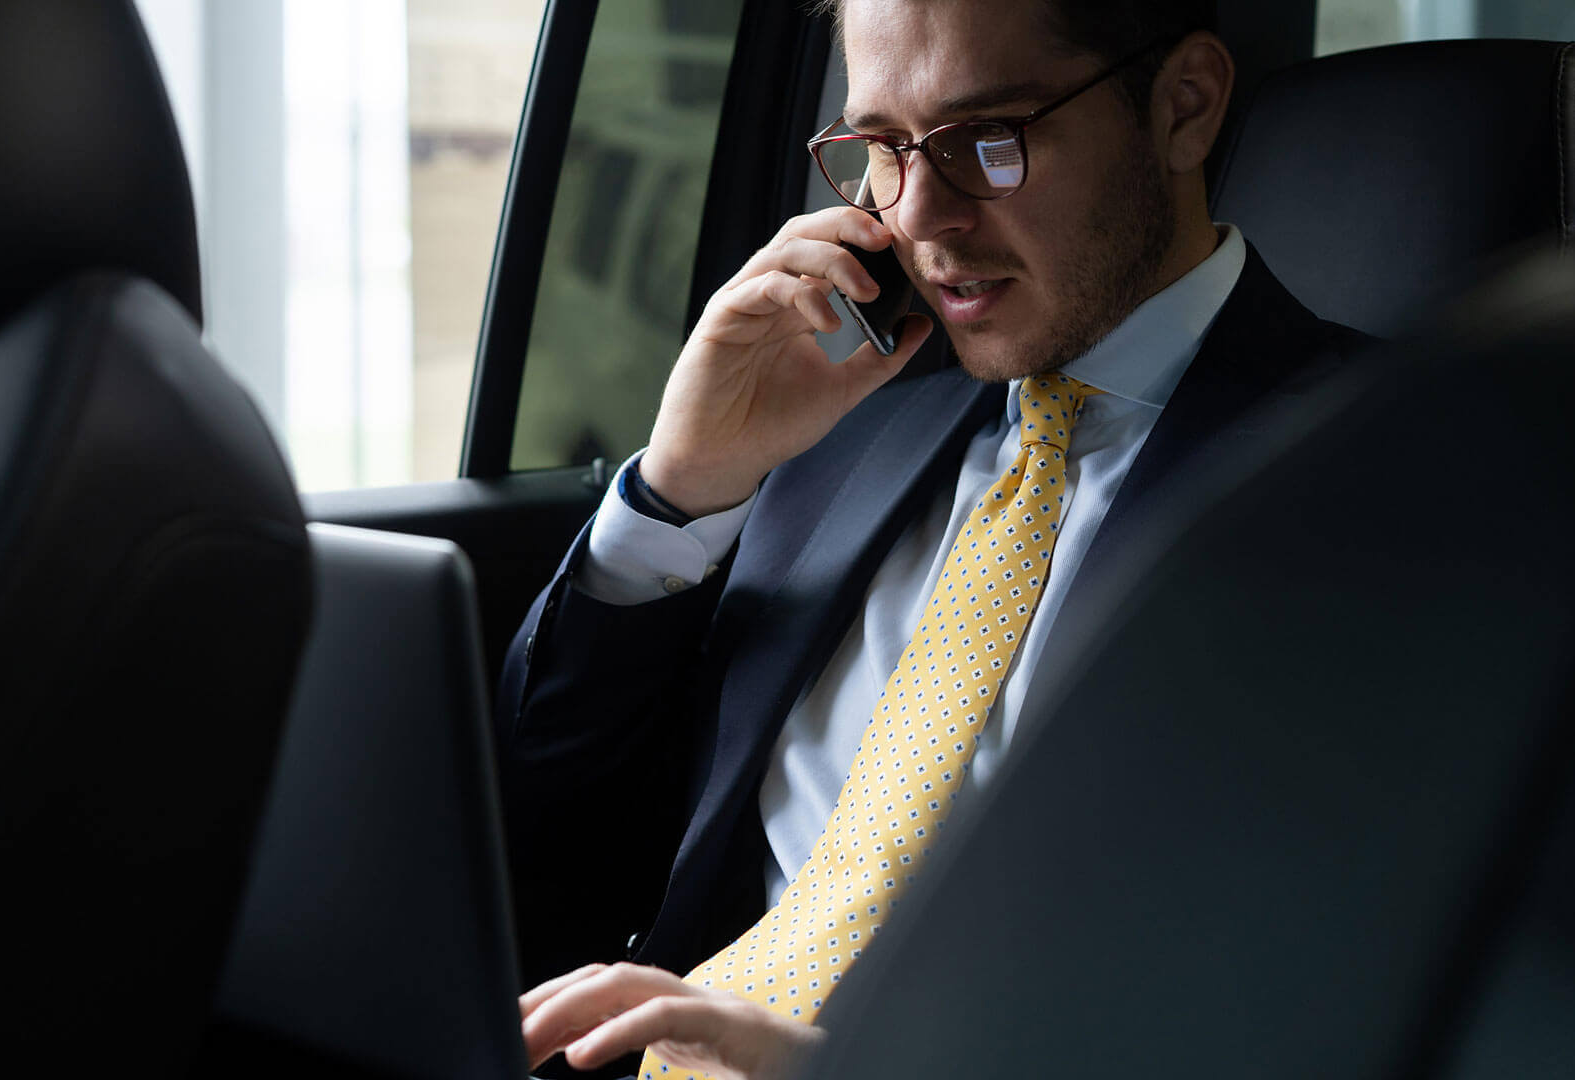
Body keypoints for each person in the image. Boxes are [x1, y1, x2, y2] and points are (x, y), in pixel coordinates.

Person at [498, 0, 1372, 1076]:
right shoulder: (834, 413)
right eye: (881, 149)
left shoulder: (1405, 472)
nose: (918, 217)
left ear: (1184, 107)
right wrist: (685, 487)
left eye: (982, 142)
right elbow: (545, 835)